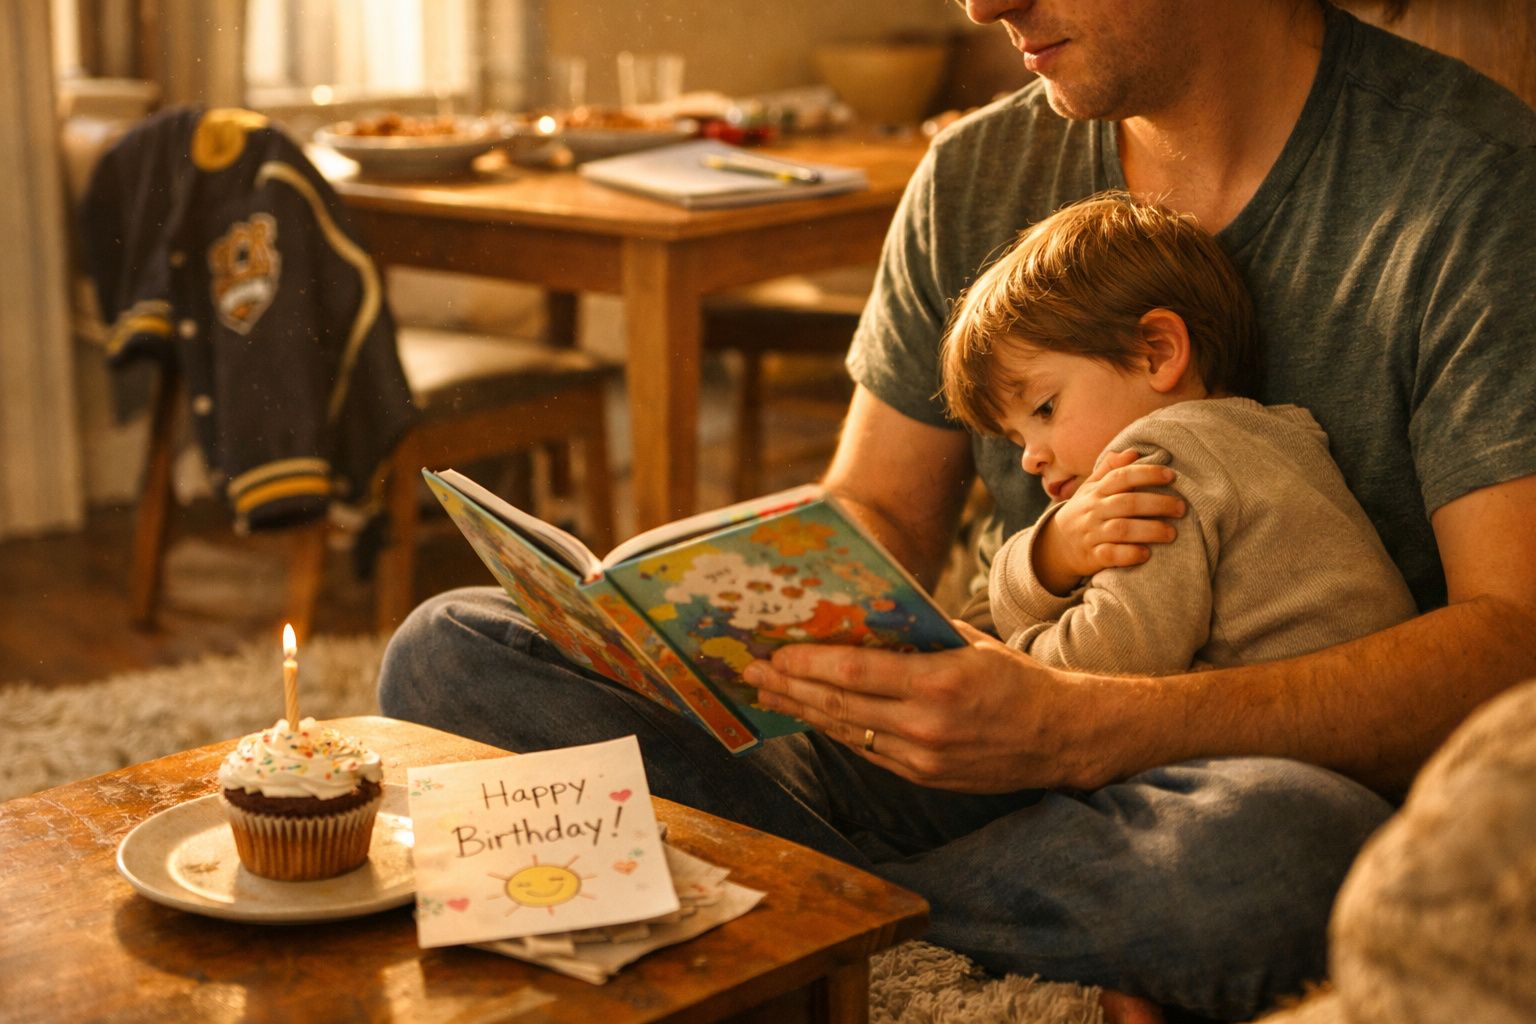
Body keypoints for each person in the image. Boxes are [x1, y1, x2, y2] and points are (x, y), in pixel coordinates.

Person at [380, 2, 1536, 1019]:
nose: (984, 6)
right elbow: (878, 506)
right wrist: (716, 623)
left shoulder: (1471, 182)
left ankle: (806, 896)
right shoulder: (974, 172)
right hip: (960, 728)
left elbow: (1512, 649)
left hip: (1219, 778)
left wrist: (1077, 724)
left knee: (1283, 862)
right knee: (453, 652)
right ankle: (866, 884)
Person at [937, 192, 1417, 671]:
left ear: (1157, 353)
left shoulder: (1162, 463)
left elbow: (1105, 666)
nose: (1029, 460)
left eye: (1044, 408)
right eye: (1016, 440)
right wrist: (1050, 554)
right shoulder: (1278, 432)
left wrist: (1003, 660)